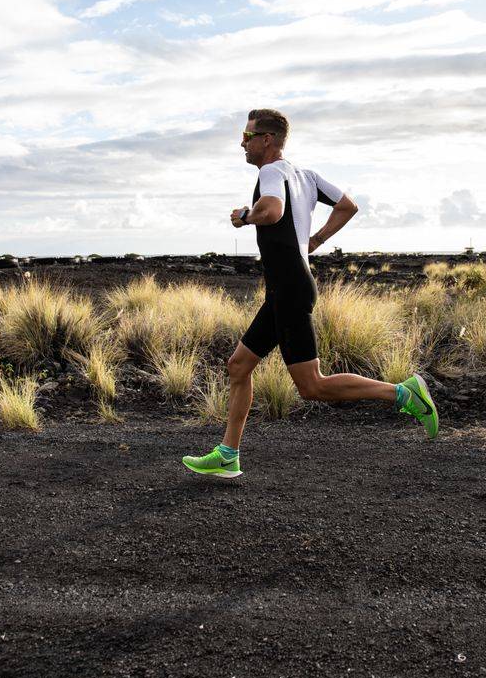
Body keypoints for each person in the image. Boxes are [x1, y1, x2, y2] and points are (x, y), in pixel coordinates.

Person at [183, 109, 437, 479]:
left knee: (312, 386)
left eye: (246, 135)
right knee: (238, 367)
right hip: (287, 288)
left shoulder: (271, 172)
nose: (242, 142)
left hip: (289, 289)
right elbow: (348, 205)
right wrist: (314, 240)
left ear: (266, 140)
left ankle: (404, 393)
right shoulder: (306, 176)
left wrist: (243, 215)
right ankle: (227, 455)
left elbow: (271, 211)